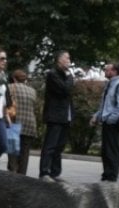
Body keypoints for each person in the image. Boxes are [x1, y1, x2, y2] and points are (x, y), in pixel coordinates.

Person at [39, 50, 74, 181]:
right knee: (51, 145)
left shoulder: (65, 75)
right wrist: (70, 76)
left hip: (65, 116)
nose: (69, 61)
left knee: (59, 146)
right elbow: (65, 89)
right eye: (67, 58)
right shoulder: (52, 74)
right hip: (55, 116)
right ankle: (44, 172)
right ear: (60, 60)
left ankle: (55, 172)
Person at [90, 62, 119, 182]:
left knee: (112, 151)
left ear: (114, 71)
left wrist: (110, 119)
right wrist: (96, 116)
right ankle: (106, 174)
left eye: (107, 70)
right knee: (105, 151)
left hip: (113, 124)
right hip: (106, 122)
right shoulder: (108, 86)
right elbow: (104, 106)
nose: (105, 71)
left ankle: (112, 176)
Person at [7, 69, 38, 175]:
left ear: (14, 78)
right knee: (24, 155)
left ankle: (12, 175)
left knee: (13, 153)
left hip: (15, 124)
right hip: (30, 125)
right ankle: (22, 178)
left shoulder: (10, 87)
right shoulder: (32, 91)